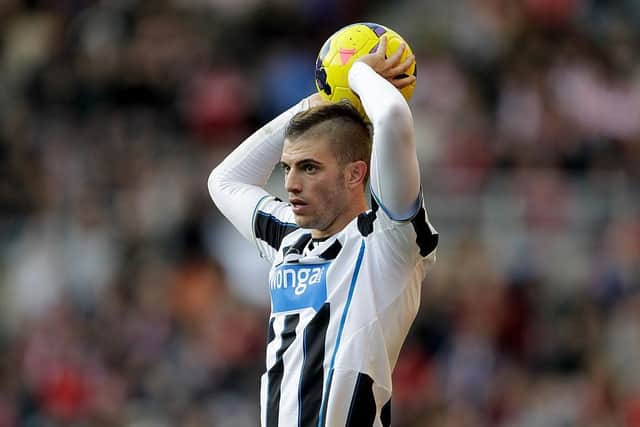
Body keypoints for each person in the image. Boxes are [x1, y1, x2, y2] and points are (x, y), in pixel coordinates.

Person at [208, 35, 438, 427]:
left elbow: (393, 120)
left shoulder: (388, 242)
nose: (291, 184)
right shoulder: (287, 238)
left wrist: (360, 75)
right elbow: (224, 181)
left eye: (310, 168)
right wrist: (317, 101)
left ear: (355, 174)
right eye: (287, 168)